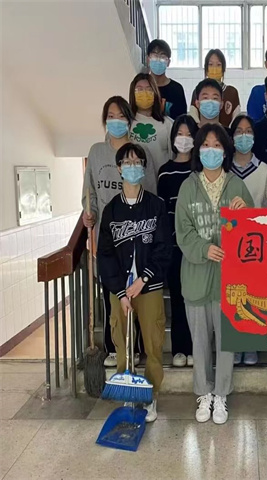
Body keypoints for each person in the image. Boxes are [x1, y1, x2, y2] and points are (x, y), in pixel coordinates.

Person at [175, 124, 254, 425]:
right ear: (198, 150)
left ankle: (221, 394)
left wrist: (245, 213)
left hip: (229, 280)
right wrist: (203, 248)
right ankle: (203, 393)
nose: (211, 150)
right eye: (206, 145)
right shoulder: (188, 186)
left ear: (225, 151)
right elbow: (183, 231)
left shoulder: (236, 185)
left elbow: (254, 231)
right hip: (196, 277)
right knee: (199, 343)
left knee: (226, 342)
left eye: (217, 145)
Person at [97, 143, 172, 423]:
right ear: (119, 169)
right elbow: (105, 255)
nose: (132, 167)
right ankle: (129, 391)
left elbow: (164, 248)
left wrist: (144, 278)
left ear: (143, 167)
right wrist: (120, 292)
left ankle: (150, 397)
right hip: (120, 292)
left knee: (153, 344)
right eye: (126, 163)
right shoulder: (111, 210)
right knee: (122, 343)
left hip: (149, 288)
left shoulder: (156, 205)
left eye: (136, 162)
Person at [82, 96, 155, 367]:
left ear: (129, 120)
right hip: (107, 235)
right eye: (111, 116)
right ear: (105, 120)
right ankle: (115, 347)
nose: (116, 121)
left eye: (121, 116)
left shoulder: (138, 152)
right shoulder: (97, 152)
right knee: (112, 291)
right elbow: (89, 190)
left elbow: (150, 190)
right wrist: (88, 212)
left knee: (137, 292)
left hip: (136, 234)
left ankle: (136, 347)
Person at [229, 114, 267, 366]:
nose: (243, 136)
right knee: (234, 295)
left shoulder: (266, 171)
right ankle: (235, 345)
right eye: (238, 131)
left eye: (248, 131)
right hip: (229, 241)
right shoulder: (223, 170)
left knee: (254, 295)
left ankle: (251, 345)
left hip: (257, 242)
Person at [157, 115, 198, 368]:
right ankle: (179, 349)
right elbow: (163, 213)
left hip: (198, 246)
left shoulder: (200, 170)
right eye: (180, 134)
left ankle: (195, 347)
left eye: (189, 134)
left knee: (196, 300)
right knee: (178, 298)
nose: (184, 139)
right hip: (174, 247)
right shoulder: (165, 172)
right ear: (173, 138)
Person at [129, 73, 173, 171]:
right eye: (139, 89)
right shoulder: (126, 123)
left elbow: (173, 157)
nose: (144, 93)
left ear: (155, 92)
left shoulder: (167, 124)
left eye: (149, 89)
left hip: (160, 178)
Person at [189, 49, 240, 127]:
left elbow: (236, 120)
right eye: (210, 64)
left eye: (218, 65)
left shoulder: (232, 92)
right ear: (206, 69)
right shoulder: (198, 91)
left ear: (223, 69)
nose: (214, 69)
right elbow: (193, 117)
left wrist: (227, 132)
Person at [146, 39, 187, 120]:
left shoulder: (177, 89)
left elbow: (182, 121)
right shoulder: (142, 87)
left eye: (162, 57)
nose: (158, 60)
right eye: (155, 56)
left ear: (168, 62)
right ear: (148, 60)